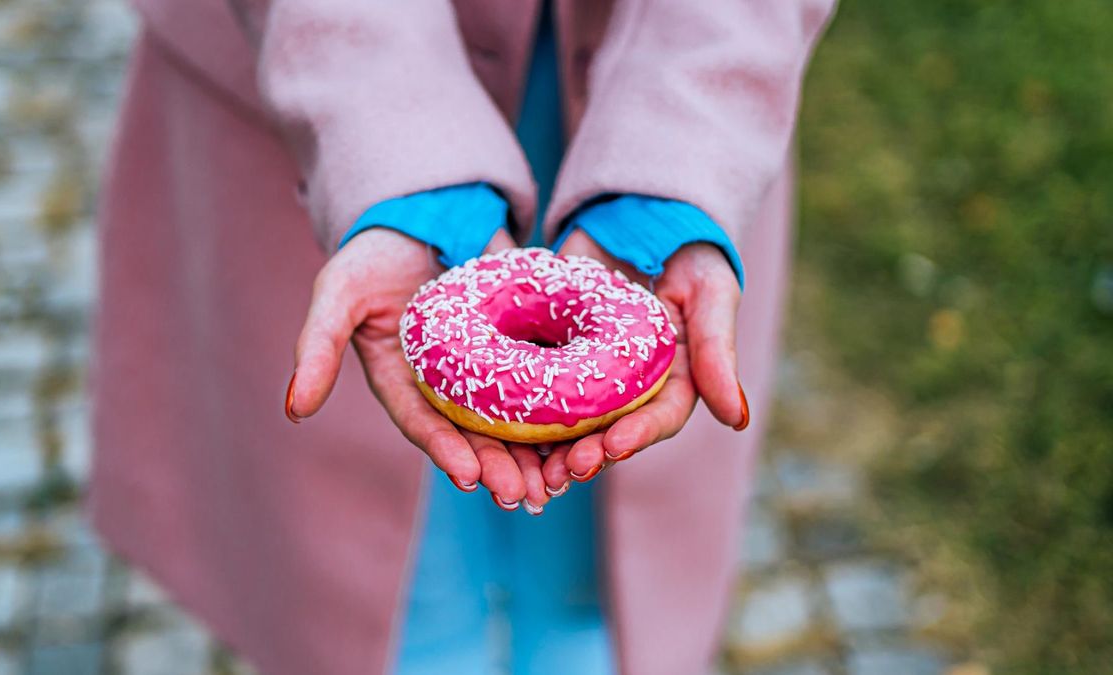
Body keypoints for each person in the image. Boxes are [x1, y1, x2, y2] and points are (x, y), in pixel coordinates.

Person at [89, 2, 836, 674]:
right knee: (374, 593)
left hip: (672, 120)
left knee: (607, 590)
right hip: (317, 95)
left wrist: (677, 157)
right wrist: (394, 146)